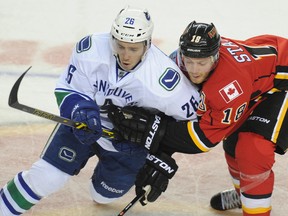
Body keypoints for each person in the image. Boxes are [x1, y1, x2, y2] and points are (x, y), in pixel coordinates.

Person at [0, 7, 201, 215]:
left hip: (127, 148)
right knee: (46, 177)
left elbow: (193, 123)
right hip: (81, 127)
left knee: (103, 196)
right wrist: (80, 110)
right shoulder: (90, 49)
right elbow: (67, 89)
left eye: (133, 49)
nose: (125, 55)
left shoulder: (165, 80)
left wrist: (159, 152)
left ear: (147, 44)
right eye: (120, 46)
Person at [108, 21, 288, 215]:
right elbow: (175, 115)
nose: (194, 69)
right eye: (189, 61)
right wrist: (160, 154)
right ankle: (246, 194)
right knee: (233, 141)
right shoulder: (177, 63)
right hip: (260, 79)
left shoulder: (229, 85)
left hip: (280, 82)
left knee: (252, 148)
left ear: (216, 57)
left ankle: (256, 208)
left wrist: (156, 136)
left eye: (201, 63)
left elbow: (203, 138)